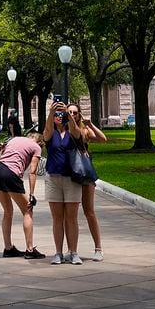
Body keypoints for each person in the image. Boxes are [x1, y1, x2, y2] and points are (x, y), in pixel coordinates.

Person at [0, 116, 45, 259]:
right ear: (40, 142)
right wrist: (31, 194)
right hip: (10, 174)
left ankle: (8, 248)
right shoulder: (36, 147)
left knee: (8, 212)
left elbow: (3, 157)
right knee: (27, 210)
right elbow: (32, 171)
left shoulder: (14, 140)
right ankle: (30, 250)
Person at [40, 100, 85, 264]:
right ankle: (58, 252)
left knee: (72, 218)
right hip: (53, 178)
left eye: (61, 114)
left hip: (71, 178)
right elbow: (45, 133)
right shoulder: (51, 133)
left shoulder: (72, 132)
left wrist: (68, 114)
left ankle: (73, 252)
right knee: (57, 218)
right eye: (57, 114)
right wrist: (51, 113)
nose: (59, 116)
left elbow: (77, 132)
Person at [67, 103, 110, 261]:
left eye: (75, 113)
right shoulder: (63, 131)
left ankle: (98, 248)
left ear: (79, 115)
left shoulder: (83, 131)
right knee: (69, 214)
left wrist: (90, 124)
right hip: (69, 174)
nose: (72, 115)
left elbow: (103, 139)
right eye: (69, 112)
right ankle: (72, 250)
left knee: (89, 211)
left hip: (84, 172)